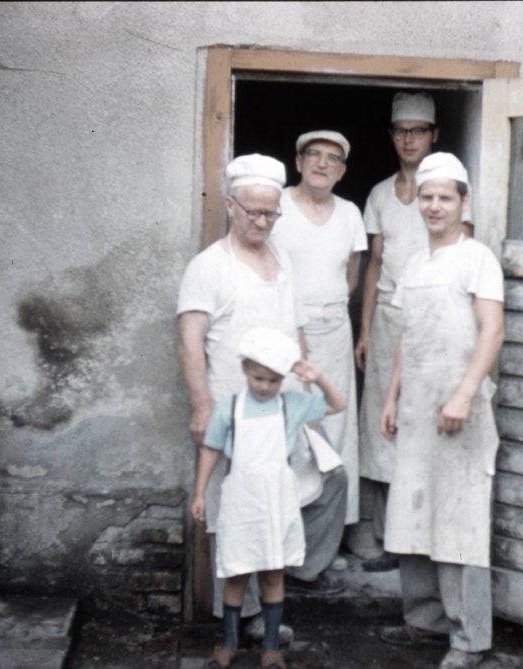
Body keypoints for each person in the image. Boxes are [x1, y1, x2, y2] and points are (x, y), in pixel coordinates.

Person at [177, 153, 346, 640]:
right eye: (252, 211)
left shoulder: (282, 260)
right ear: (230, 206)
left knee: (320, 483)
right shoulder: (208, 267)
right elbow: (191, 341)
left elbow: (295, 328)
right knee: (234, 509)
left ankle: (288, 574)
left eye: (271, 213)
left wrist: (307, 387)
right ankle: (246, 614)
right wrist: (202, 405)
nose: (262, 221)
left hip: (284, 404)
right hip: (234, 407)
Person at [378, 153, 504, 669]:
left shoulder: (477, 258)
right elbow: (409, 336)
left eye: (445, 197)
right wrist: (391, 397)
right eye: (427, 197)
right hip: (417, 407)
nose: (434, 206)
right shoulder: (414, 263)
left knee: (459, 520)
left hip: (460, 409)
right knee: (411, 511)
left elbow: (492, 332)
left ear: (463, 202)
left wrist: (464, 394)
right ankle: (423, 619)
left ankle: (469, 638)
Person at [353, 92, 472, 571]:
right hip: (386, 319)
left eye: (418, 130)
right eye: (401, 130)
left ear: (434, 135)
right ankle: (385, 536)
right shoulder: (381, 194)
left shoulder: (446, 195)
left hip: (433, 318)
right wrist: (363, 330)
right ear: (391, 137)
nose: (409, 139)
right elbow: (375, 263)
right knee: (382, 423)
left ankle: (419, 538)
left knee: (422, 422)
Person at [191, 326, 347, 669]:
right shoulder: (229, 409)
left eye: (273, 380)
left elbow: (339, 404)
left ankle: (272, 647)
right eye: (258, 378)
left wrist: (317, 376)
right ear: (246, 369)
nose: (264, 386)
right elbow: (211, 450)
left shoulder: (292, 406)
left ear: (282, 380)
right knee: (236, 572)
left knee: (273, 574)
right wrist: (200, 493)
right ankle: (229, 642)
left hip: (277, 501)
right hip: (241, 501)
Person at [270, 131, 367, 554]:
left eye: (333, 159)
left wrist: (329, 311)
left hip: (334, 328)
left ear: (343, 171)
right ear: (298, 161)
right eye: (314, 155)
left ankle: (329, 543)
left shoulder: (349, 213)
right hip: (286, 332)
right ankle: (287, 544)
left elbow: (353, 273)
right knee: (295, 427)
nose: (322, 164)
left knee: (338, 426)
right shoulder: (278, 207)